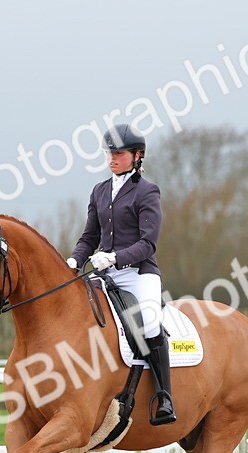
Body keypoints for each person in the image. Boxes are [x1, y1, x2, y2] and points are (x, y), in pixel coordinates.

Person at [67, 123, 175, 426]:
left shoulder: (147, 191)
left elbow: (148, 243)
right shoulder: (99, 191)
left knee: (151, 323)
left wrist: (114, 257)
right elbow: (89, 237)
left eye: (119, 153)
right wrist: (74, 261)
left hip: (139, 273)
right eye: (109, 153)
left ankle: (164, 395)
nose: (112, 158)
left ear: (137, 155)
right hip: (104, 273)